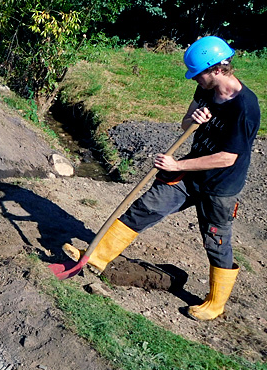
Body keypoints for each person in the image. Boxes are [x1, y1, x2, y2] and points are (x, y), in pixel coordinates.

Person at [64, 36, 260, 321]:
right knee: (146, 207)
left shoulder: (245, 108)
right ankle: (96, 256)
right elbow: (185, 123)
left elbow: (228, 158)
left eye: (199, 73)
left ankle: (215, 303)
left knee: (216, 242)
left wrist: (177, 162)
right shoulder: (205, 89)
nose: (196, 79)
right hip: (188, 175)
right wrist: (194, 118)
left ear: (218, 69)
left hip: (220, 187)